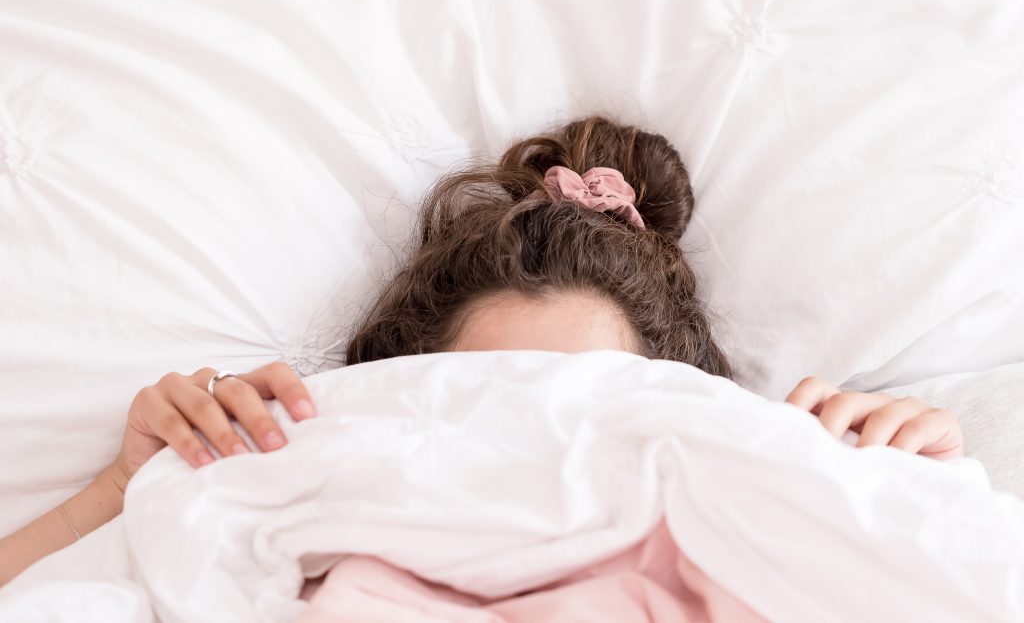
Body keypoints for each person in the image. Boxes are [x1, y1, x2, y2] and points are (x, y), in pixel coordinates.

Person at [0, 117, 964, 586]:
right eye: (492, 402)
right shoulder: (313, 542)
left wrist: (898, 505)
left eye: (589, 409)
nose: (540, 445)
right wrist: (121, 498)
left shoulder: (732, 549)